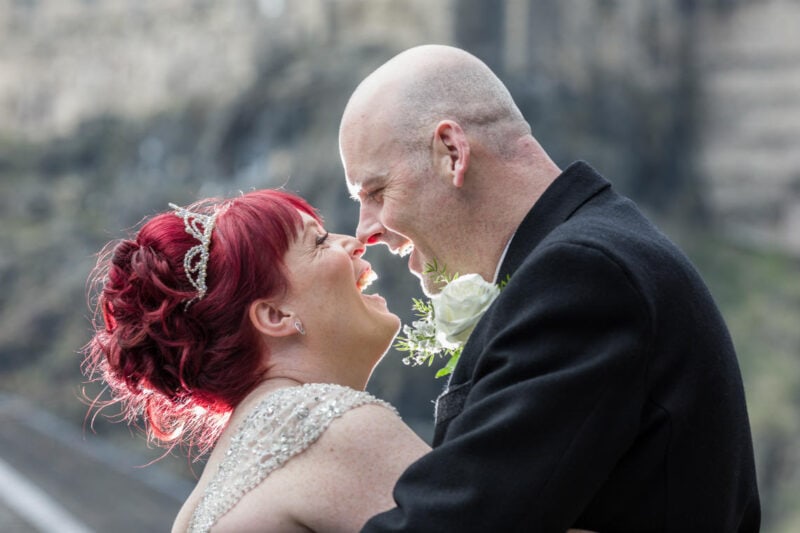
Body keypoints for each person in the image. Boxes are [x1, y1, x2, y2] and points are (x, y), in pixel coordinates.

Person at [339, 44, 760, 532]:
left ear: (452, 152)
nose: (365, 231)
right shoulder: (592, 254)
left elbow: (459, 521)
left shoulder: (584, 277)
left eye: (375, 192)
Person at [82, 189, 431, 532]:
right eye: (319, 242)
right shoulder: (327, 426)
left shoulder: (202, 500)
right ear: (274, 315)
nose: (354, 242)